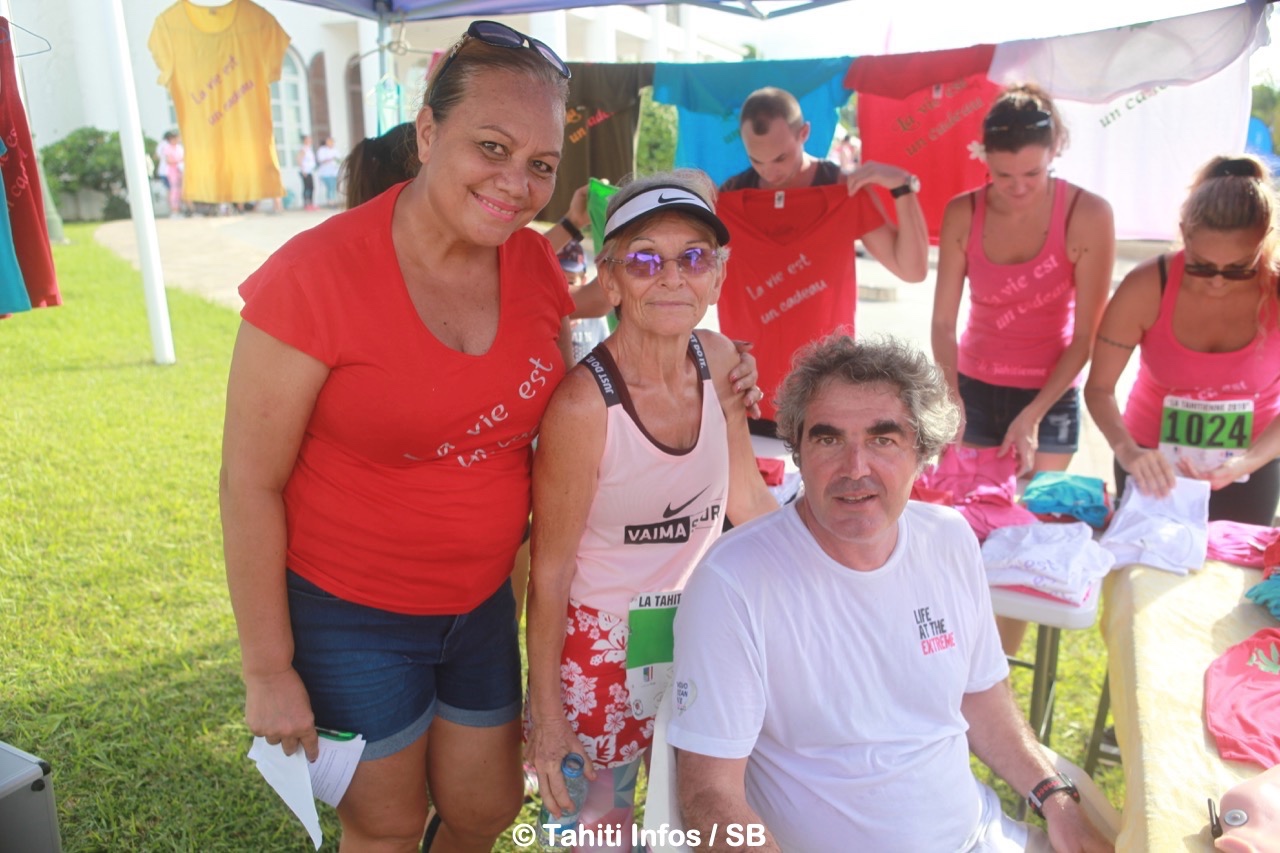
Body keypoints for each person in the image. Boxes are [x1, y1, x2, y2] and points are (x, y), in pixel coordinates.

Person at [222, 21, 579, 851]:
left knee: (486, 808)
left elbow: (572, 411)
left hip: (484, 604)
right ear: (427, 132)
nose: (516, 184)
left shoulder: (534, 271)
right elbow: (249, 483)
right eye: (491, 146)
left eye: (541, 165)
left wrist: (710, 360)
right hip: (350, 612)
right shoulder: (313, 276)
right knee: (382, 825)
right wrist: (268, 668)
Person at [668, 335, 1114, 853]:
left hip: (981, 838)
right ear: (798, 449)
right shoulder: (734, 582)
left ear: (922, 452)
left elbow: (982, 698)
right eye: (828, 439)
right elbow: (709, 794)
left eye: (883, 439)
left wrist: (1055, 797)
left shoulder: (948, 540)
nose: (855, 468)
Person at [525, 170, 778, 847]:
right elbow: (547, 572)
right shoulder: (584, 406)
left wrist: (827, 578)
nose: (672, 277)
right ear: (610, 283)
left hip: (701, 633)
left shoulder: (722, 359)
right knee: (593, 835)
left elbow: (749, 501)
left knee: (696, 815)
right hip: (598, 655)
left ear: (717, 278)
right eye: (644, 259)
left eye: (694, 257)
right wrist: (546, 708)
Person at [930, 83, 1115, 654]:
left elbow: (1086, 336)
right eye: (1001, 175)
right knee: (961, 533)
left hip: (1049, 394)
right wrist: (951, 396)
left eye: (1030, 175)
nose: (1014, 189)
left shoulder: (1088, 214)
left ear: (1056, 147)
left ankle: (1000, 674)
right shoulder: (964, 211)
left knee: (1025, 549)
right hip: (974, 389)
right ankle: (957, 658)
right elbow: (941, 323)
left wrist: (1034, 413)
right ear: (982, 157)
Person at [1084, 154, 1280, 525]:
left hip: (1250, 466)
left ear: (1264, 243)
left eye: (1239, 269)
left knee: (1237, 579)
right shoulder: (1147, 286)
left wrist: (1251, 460)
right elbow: (1099, 389)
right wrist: (1128, 451)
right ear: (1183, 234)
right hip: (1151, 464)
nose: (1217, 281)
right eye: (1200, 265)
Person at [719, 86, 928, 283]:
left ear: (804, 133)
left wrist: (902, 186)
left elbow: (912, 271)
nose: (768, 171)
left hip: (831, 323)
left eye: (780, 158)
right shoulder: (732, 194)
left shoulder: (843, 188)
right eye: (756, 160)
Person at [156, 130, 185, 217]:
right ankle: (174, 210)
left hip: (179, 171)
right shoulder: (166, 147)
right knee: (173, 191)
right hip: (169, 172)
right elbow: (168, 160)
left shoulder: (178, 147)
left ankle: (178, 209)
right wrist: (178, 160)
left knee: (177, 191)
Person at [315, 136, 341, 207]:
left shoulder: (335, 151)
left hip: (334, 172)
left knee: (333, 187)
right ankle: (330, 202)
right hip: (325, 173)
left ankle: (333, 201)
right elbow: (320, 160)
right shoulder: (322, 150)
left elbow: (339, 160)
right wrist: (329, 159)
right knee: (330, 187)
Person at [297, 133, 317, 211]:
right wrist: (303, 170)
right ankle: (306, 204)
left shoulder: (309, 149)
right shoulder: (303, 149)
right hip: (305, 172)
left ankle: (311, 203)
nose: (310, 140)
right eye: (308, 139)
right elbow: (299, 159)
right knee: (307, 187)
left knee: (311, 187)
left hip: (310, 171)